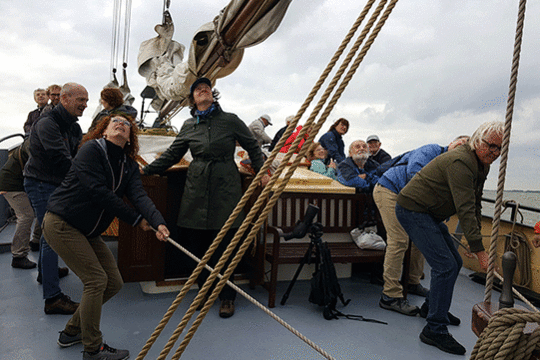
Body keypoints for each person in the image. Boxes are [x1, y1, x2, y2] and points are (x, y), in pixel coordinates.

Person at [42, 113, 169, 360]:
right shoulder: (90, 151)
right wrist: (135, 220)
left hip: (87, 231)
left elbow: (139, 196)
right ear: (104, 131)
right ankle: (93, 349)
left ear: (131, 136)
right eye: (115, 122)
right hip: (62, 223)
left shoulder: (129, 166)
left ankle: (71, 332)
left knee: (113, 282)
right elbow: (97, 191)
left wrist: (158, 222)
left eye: (126, 124)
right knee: (96, 281)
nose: (121, 124)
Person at [142, 77, 268, 318]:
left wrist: (261, 172)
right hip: (196, 188)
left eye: (206, 87)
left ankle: (227, 297)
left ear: (212, 93)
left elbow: (253, 146)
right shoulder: (189, 125)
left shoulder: (230, 120)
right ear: (192, 97)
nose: (202, 89)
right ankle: (203, 292)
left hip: (226, 186)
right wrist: (146, 171)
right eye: (197, 88)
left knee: (225, 244)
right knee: (195, 245)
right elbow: (172, 154)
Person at [395, 121, 503, 355]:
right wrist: (481, 251)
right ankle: (434, 329)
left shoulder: (481, 164)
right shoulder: (461, 162)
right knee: (444, 266)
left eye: (499, 149)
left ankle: (433, 307)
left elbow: (474, 204)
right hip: (414, 210)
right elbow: (464, 207)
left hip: (430, 214)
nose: (494, 153)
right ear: (477, 140)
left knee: (454, 262)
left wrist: (475, 245)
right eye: (491, 146)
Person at [374, 136, 470, 316]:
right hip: (390, 190)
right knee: (399, 241)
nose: (461, 147)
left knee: (420, 240)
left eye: (466, 147)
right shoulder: (431, 150)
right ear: (451, 143)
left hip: (412, 199)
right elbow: (414, 174)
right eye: (460, 143)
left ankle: (412, 282)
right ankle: (390, 295)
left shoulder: (453, 167)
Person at [24, 82, 88, 315]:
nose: (85, 104)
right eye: (81, 100)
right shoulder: (47, 124)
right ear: (65, 99)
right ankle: (52, 299)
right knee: (52, 234)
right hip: (40, 183)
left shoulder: (73, 128)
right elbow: (63, 161)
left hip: (55, 183)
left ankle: (44, 272)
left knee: (47, 231)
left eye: (86, 100)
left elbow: (76, 157)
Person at [0, 138, 38, 269]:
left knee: (34, 213)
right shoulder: (31, 143)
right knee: (26, 216)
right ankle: (18, 256)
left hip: (14, 184)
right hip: (12, 185)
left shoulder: (31, 140)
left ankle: (36, 241)